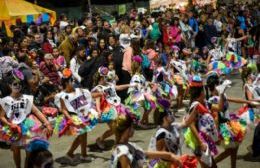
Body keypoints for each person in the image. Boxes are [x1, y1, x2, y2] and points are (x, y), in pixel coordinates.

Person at [0, 69, 53, 168]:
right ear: (9, 86)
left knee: (29, 150)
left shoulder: (27, 98)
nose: (17, 86)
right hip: (14, 128)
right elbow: (1, 117)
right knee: (16, 150)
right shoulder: (5, 100)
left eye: (19, 84)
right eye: (15, 84)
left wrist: (47, 123)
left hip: (28, 126)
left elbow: (36, 111)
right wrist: (10, 124)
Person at [54, 68, 100, 163]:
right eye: (71, 80)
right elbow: (63, 109)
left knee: (83, 135)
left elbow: (89, 97)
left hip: (83, 116)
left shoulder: (79, 90)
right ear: (66, 83)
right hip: (74, 118)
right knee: (82, 135)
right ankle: (71, 153)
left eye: (73, 80)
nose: (73, 82)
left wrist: (100, 94)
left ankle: (82, 154)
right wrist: (71, 119)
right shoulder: (62, 96)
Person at [110, 110, 182, 168]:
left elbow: (144, 154)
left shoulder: (127, 145)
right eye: (132, 127)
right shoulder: (123, 152)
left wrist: (169, 155)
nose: (133, 129)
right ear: (126, 130)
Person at [92, 66, 134, 149]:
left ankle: (119, 142)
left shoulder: (109, 84)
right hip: (109, 110)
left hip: (118, 107)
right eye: (104, 77)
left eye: (106, 76)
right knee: (114, 129)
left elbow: (118, 87)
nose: (106, 78)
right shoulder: (98, 88)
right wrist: (99, 110)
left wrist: (130, 85)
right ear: (100, 77)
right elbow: (97, 99)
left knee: (120, 126)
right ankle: (101, 140)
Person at [183, 75, 218, 168]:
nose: (205, 92)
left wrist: (222, 94)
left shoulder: (205, 103)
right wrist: (200, 142)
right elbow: (191, 125)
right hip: (198, 141)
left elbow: (219, 108)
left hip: (203, 139)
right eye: (203, 90)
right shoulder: (195, 106)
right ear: (200, 92)